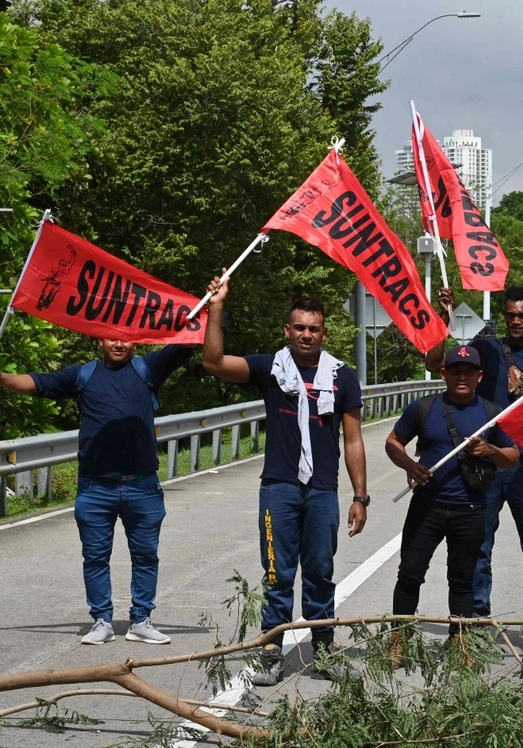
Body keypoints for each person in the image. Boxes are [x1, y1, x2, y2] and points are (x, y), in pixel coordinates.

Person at [202, 276, 367, 685]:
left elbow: (354, 439)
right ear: (287, 331)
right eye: (299, 327)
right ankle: (271, 652)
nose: (306, 335)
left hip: (323, 490)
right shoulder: (269, 369)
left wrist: (361, 495)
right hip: (280, 486)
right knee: (277, 573)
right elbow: (214, 361)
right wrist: (216, 306)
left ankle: (324, 650)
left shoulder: (342, 377)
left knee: (320, 571)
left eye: (313, 328)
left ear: (324, 332)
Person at [0, 339, 194, 645]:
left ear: (136, 338)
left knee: (145, 557)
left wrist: (214, 303)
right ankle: (102, 621)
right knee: (95, 558)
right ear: (98, 339)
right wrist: (3, 378)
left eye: (125, 336)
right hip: (95, 488)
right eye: (110, 336)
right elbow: (35, 383)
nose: (118, 343)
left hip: (142, 485)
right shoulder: (83, 375)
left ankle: (141, 620)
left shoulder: (148, 368)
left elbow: (186, 343)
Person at [425, 285, 523, 653]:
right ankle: (479, 622)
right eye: (511, 314)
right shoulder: (484, 350)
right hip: (482, 464)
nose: (516, 321)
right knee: (478, 546)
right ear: (504, 315)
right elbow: (432, 363)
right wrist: (446, 316)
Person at [386, 345, 520, 663]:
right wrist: (408, 465)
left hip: (470, 509)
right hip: (427, 507)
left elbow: (513, 457)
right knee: (410, 574)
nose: (462, 376)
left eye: (469, 371)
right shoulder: (424, 407)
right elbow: (393, 442)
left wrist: (490, 450)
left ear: (479, 376)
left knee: (462, 579)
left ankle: (459, 643)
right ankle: (399, 639)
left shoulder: (491, 413)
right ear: (443, 373)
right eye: (456, 370)